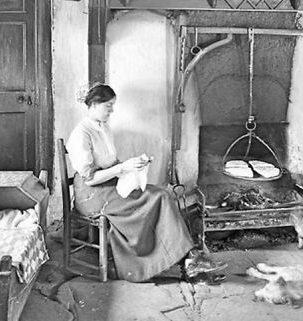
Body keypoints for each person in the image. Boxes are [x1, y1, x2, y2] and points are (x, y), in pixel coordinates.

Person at [66, 83, 227, 283]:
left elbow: (111, 163)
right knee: (158, 198)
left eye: (113, 105)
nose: (112, 110)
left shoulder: (104, 127)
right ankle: (186, 260)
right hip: (91, 194)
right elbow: (90, 178)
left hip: (107, 186)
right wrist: (122, 168)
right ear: (95, 104)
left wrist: (133, 164)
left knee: (160, 194)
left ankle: (188, 260)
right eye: (109, 106)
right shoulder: (80, 134)